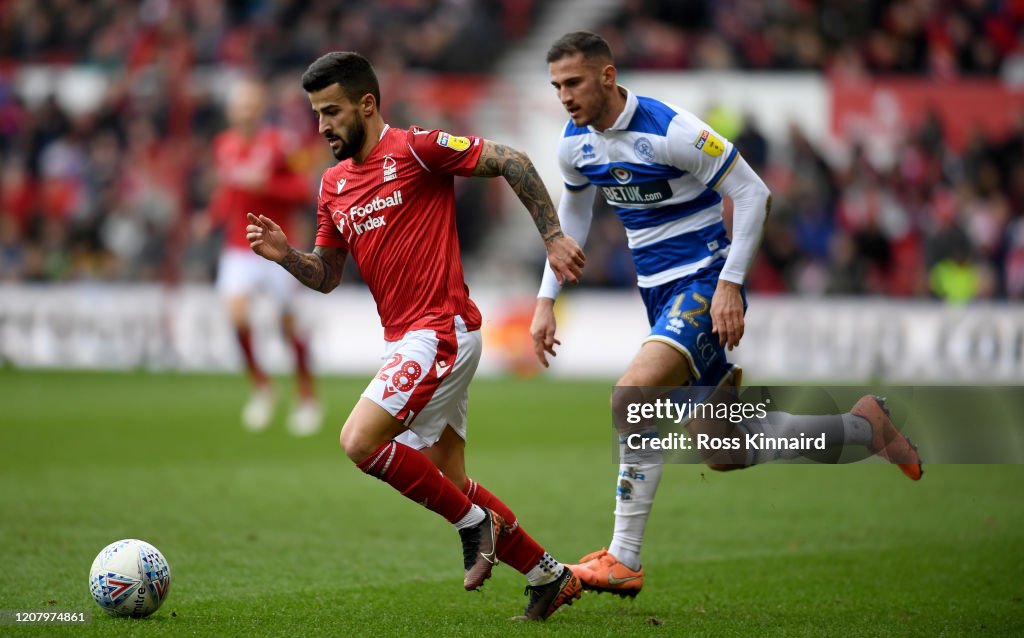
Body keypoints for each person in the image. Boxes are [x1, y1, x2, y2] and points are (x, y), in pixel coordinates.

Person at [531, 32, 924, 598]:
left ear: (608, 77)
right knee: (725, 449)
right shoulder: (574, 144)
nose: (564, 96)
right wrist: (547, 300)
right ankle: (865, 428)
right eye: (556, 86)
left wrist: (729, 285)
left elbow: (753, 191)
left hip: (702, 284)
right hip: (658, 297)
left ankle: (623, 557)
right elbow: (571, 220)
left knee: (632, 393)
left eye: (573, 83)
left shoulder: (670, 130)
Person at [246, 51, 585, 620]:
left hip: (440, 331)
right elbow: (328, 276)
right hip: (405, 337)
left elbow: (511, 159)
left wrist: (552, 236)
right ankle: (546, 575)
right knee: (448, 476)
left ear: (367, 104)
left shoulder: (416, 150)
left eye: (331, 112)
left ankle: (474, 526)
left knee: (359, 441)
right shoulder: (332, 185)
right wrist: (286, 257)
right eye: (316, 115)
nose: (322, 126)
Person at [205, 78, 323, 435]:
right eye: (240, 105)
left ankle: (306, 397)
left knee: (288, 326)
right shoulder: (223, 145)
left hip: (276, 246)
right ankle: (261, 387)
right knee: (237, 315)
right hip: (239, 246)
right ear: (231, 111)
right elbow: (228, 191)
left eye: (251, 104)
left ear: (260, 108)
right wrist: (210, 217)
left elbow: (303, 188)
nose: (245, 111)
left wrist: (267, 186)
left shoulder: (279, 143)